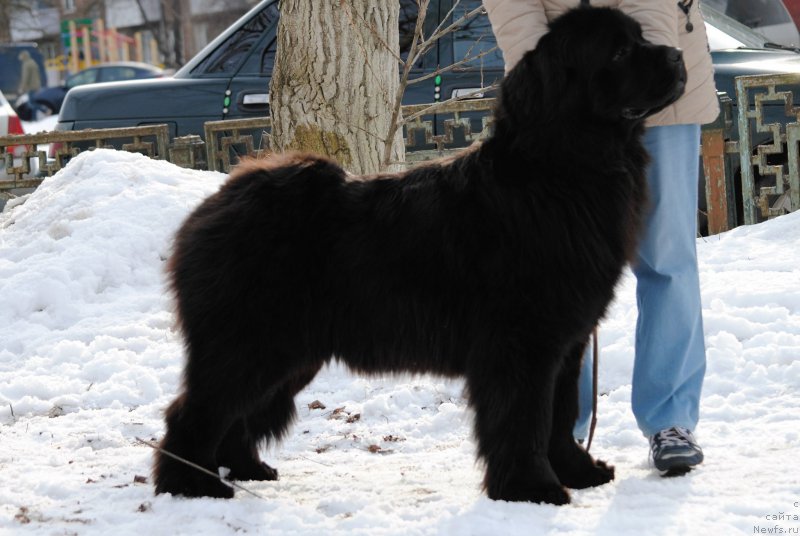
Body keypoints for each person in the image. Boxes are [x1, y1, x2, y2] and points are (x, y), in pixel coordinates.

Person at [482, 0, 719, 475]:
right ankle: (554, 425)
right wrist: (552, 79)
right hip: (565, 103)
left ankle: (670, 420)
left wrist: (641, 80)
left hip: (652, 81)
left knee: (666, 258)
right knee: (554, 269)